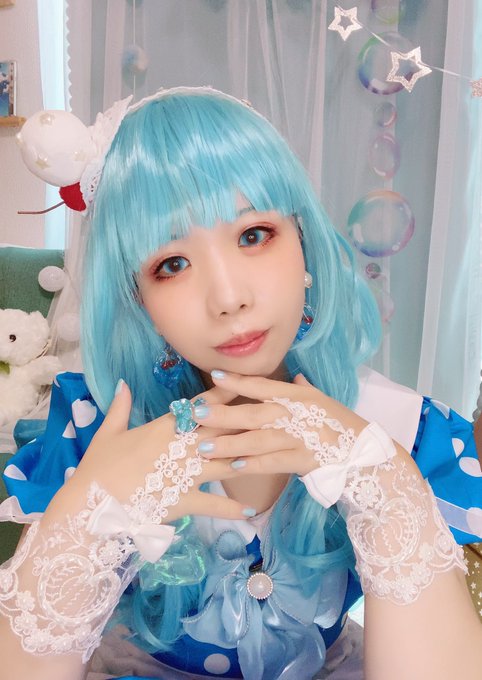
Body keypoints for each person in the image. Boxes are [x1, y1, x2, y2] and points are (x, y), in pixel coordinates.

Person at [0, 87, 481, 680]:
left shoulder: (398, 425)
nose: (229, 298)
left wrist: (384, 485)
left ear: (303, 242)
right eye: (172, 264)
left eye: (253, 235)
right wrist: (83, 522)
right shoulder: (95, 433)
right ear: (138, 298)